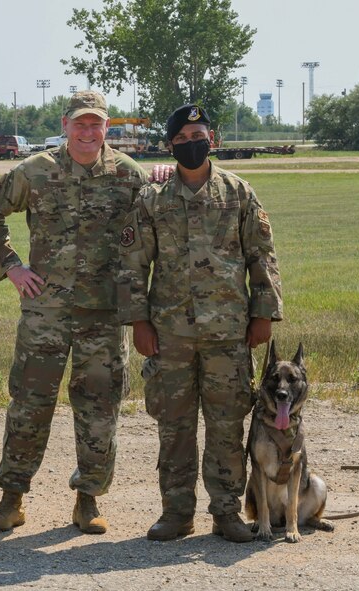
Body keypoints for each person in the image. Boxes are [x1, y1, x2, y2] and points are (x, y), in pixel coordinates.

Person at [0, 90, 149, 534]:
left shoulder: (129, 176)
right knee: (29, 404)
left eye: (96, 124)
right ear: (65, 125)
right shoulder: (37, 171)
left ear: (106, 127)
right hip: (46, 311)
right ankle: (11, 498)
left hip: (103, 315)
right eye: (80, 124)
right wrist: (11, 268)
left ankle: (88, 500)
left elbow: (157, 223)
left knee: (99, 407)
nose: (88, 132)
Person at [117, 104, 283, 542]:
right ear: (171, 145)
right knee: (175, 425)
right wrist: (139, 321)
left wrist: (263, 313)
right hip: (169, 333)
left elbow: (261, 255)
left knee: (227, 425)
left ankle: (226, 512)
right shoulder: (153, 199)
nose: (193, 143)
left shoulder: (238, 193)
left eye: (200, 135)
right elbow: (134, 265)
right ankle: (176, 512)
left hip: (228, 333)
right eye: (184, 138)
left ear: (213, 139)